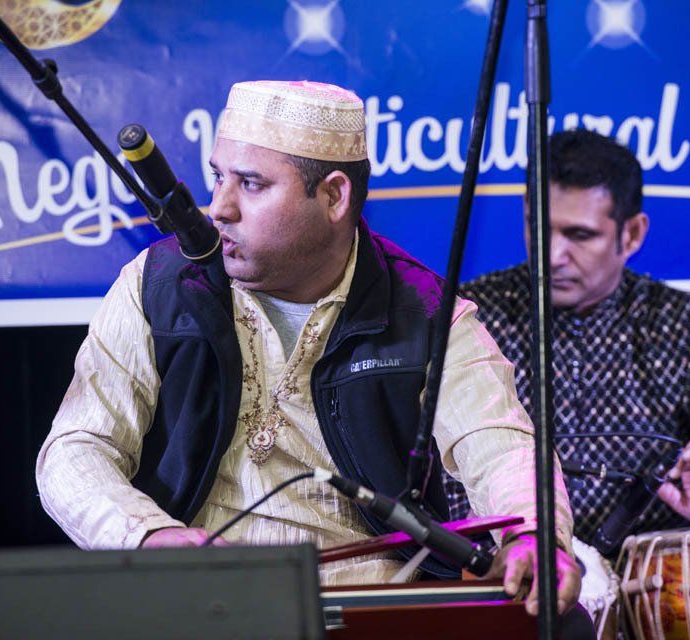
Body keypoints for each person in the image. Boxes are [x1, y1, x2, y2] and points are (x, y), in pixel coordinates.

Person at [36, 80, 585, 621]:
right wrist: (150, 536)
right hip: (195, 611)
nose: (219, 207)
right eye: (218, 177)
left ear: (333, 196)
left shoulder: (425, 313)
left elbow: (502, 447)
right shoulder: (156, 286)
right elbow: (76, 449)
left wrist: (536, 534)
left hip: (366, 615)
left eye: (250, 184)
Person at [447, 129, 690, 544]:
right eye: (539, 226)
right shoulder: (475, 316)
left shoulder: (678, 322)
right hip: (509, 579)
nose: (552, 254)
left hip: (647, 592)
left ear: (632, 234)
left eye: (579, 235)